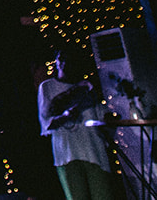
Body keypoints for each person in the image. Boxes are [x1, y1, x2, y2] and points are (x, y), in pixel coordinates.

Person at [37, 50, 117, 200]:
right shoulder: (47, 87)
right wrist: (66, 116)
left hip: (93, 150)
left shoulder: (87, 86)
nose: (65, 63)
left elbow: (101, 114)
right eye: (61, 59)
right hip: (67, 154)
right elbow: (47, 123)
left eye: (69, 59)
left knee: (103, 194)